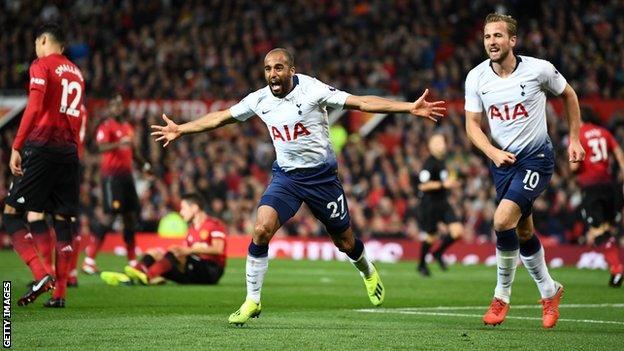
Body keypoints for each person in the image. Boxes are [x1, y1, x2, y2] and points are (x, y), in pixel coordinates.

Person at [151, 48, 445, 326]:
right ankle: (253, 300)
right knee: (261, 229)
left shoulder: (313, 90)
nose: (272, 74)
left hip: (322, 179)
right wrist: (182, 128)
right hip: (287, 178)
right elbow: (221, 117)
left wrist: (408, 108)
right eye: (267, 69)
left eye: (279, 67)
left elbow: (361, 102)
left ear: (292, 70)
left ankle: (366, 269)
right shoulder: (259, 99)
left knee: (344, 242)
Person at [464, 13, 585, 329]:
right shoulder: (476, 77)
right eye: (488, 36)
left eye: (498, 36)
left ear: (512, 41)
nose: (492, 42)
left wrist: (574, 139)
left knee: (502, 220)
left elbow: (569, 95)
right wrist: (491, 152)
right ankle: (550, 290)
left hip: (536, 159)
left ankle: (501, 296)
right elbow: (472, 126)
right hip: (502, 164)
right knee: (524, 231)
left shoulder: (539, 70)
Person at [3, 23, 85, 308]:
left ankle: (40, 275)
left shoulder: (41, 65)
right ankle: (59, 293)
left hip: (43, 149)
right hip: (69, 154)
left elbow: (34, 107)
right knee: (62, 220)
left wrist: (17, 146)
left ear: (42, 41)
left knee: (11, 214)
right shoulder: (77, 72)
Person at [82, 94, 150, 274]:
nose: (118, 108)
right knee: (110, 216)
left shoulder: (128, 127)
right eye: (114, 105)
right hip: (111, 178)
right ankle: (89, 260)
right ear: (110, 108)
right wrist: (117, 144)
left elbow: (133, 150)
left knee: (130, 218)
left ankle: (132, 261)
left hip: (127, 177)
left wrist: (145, 165)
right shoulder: (106, 126)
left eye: (120, 104)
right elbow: (100, 147)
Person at [100, 193, 227, 286]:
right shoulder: (192, 230)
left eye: (183, 208)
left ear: (194, 208)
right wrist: (163, 255)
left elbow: (218, 249)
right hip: (191, 272)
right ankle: (130, 277)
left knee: (176, 252)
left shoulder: (213, 224)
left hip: (211, 271)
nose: (181, 213)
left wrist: (187, 250)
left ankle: (147, 276)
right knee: (155, 252)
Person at [570, 107, 624, 287]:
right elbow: (618, 153)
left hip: (591, 187)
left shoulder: (579, 135)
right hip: (609, 186)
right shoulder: (604, 132)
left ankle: (617, 267)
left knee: (597, 231)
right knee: (608, 228)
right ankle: (615, 272)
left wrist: (575, 167)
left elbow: (574, 167)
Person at [416, 134, 463, 277]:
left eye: (443, 142)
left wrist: (450, 183)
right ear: (432, 146)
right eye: (439, 142)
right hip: (430, 204)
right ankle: (422, 264)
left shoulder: (441, 161)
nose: (443, 144)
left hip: (443, 202)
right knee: (431, 237)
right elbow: (423, 186)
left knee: (457, 232)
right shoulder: (429, 163)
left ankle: (438, 253)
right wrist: (444, 184)